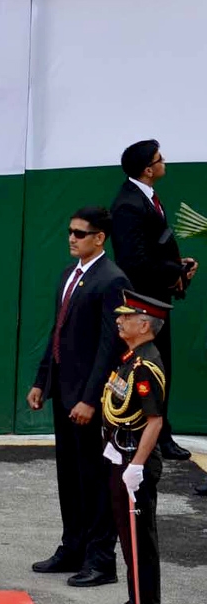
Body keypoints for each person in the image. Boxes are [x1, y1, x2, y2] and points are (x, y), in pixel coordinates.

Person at [28, 207, 130, 587]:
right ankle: (73, 547)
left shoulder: (112, 279)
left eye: (80, 233)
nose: (72, 238)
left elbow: (110, 345)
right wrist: (42, 380)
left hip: (89, 400)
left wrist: (91, 399)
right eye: (70, 231)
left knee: (95, 478)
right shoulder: (70, 275)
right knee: (69, 476)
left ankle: (101, 560)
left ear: (99, 238)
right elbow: (57, 332)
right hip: (64, 393)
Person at [109, 139, 196, 463]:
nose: (164, 163)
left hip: (155, 299)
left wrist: (178, 268)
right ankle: (152, 436)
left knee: (160, 367)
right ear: (149, 169)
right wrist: (173, 270)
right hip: (143, 304)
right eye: (160, 159)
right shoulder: (129, 205)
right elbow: (134, 262)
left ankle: (160, 433)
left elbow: (152, 250)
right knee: (150, 369)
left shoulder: (146, 200)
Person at [93, 290, 171, 604]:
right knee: (129, 543)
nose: (120, 320)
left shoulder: (146, 366)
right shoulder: (131, 358)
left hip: (132, 463)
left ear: (145, 324)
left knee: (141, 546)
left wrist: (137, 465)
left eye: (127, 317)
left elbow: (154, 421)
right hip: (120, 455)